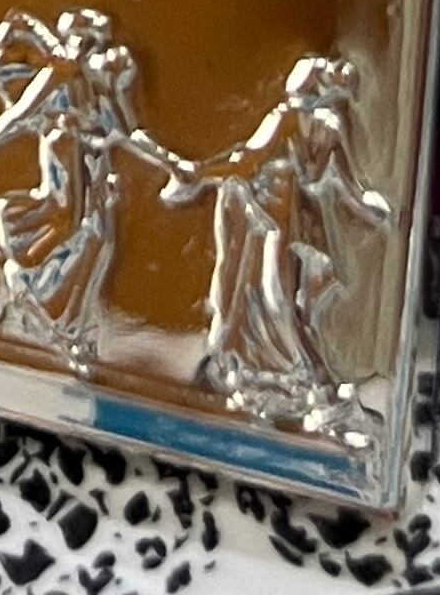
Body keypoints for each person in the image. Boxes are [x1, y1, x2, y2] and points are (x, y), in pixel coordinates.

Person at [163, 52, 391, 435]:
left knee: (284, 300)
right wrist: (202, 175)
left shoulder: (317, 123)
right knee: (276, 300)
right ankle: (304, 382)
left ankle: (311, 383)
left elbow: (339, 180)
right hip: (271, 222)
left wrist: (199, 175)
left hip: (291, 222)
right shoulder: (298, 120)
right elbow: (252, 162)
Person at [0, 3, 178, 369]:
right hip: (65, 152)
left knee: (97, 238)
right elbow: (22, 112)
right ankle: (33, 283)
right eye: (83, 40)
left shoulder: (101, 81)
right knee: (65, 222)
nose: (86, 48)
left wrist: (171, 164)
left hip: (95, 164)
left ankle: (65, 321)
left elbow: (127, 132)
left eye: (92, 42)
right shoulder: (58, 72)